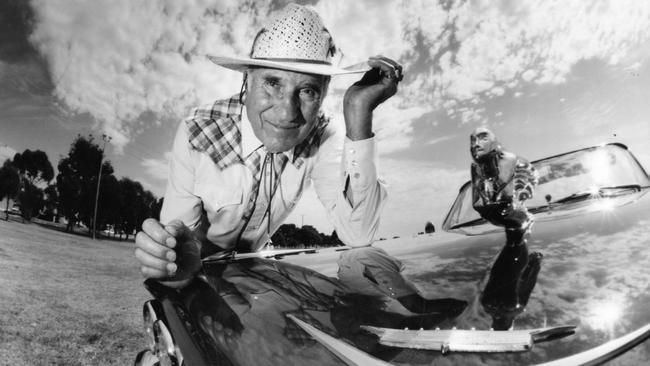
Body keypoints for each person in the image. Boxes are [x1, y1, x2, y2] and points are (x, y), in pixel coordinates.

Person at [133, 4, 456, 316]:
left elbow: (359, 234)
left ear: (324, 94)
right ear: (247, 80)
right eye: (272, 83)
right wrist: (173, 260)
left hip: (252, 270)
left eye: (307, 91)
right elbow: (178, 240)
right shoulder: (197, 131)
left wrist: (359, 114)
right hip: (199, 269)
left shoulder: (324, 134)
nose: (287, 112)